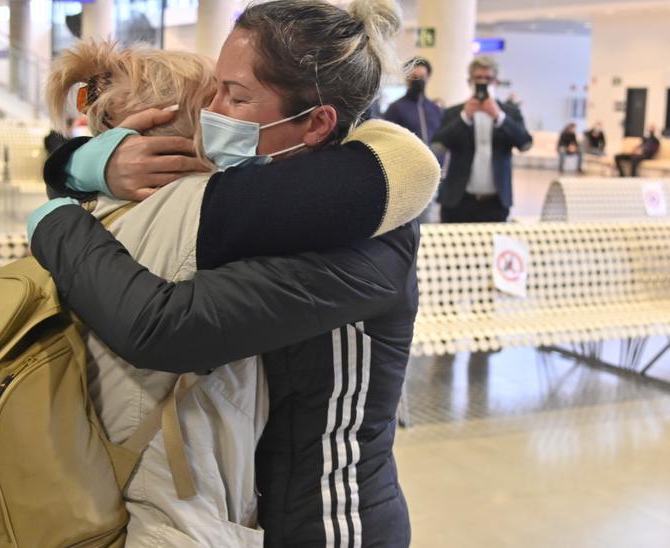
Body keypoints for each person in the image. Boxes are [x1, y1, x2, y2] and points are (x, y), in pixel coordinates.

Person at [29, 1, 433, 545]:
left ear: (316, 124)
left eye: (236, 97)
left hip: (332, 522)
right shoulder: (260, 183)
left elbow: (166, 328)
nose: (211, 110)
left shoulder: (361, 235)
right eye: (215, 87)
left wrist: (52, 216)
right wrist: (82, 164)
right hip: (246, 514)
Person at [431, 55, 533, 223]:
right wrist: (464, 118)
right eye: (478, 78)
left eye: (488, 78)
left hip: (495, 203)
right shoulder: (455, 113)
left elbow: (525, 143)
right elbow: (438, 145)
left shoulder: (510, 112)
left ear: (496, 82)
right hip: (457, 202)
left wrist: (499, 117)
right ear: (469, 81)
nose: (483, 82)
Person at [381, 57, 443, 149]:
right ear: (407, 78)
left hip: (433, 161)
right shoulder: (395, 108)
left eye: (422, 77)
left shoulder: (435, 109)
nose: (418, 81)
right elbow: (387, 139)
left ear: (428, 78)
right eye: (414, 77)